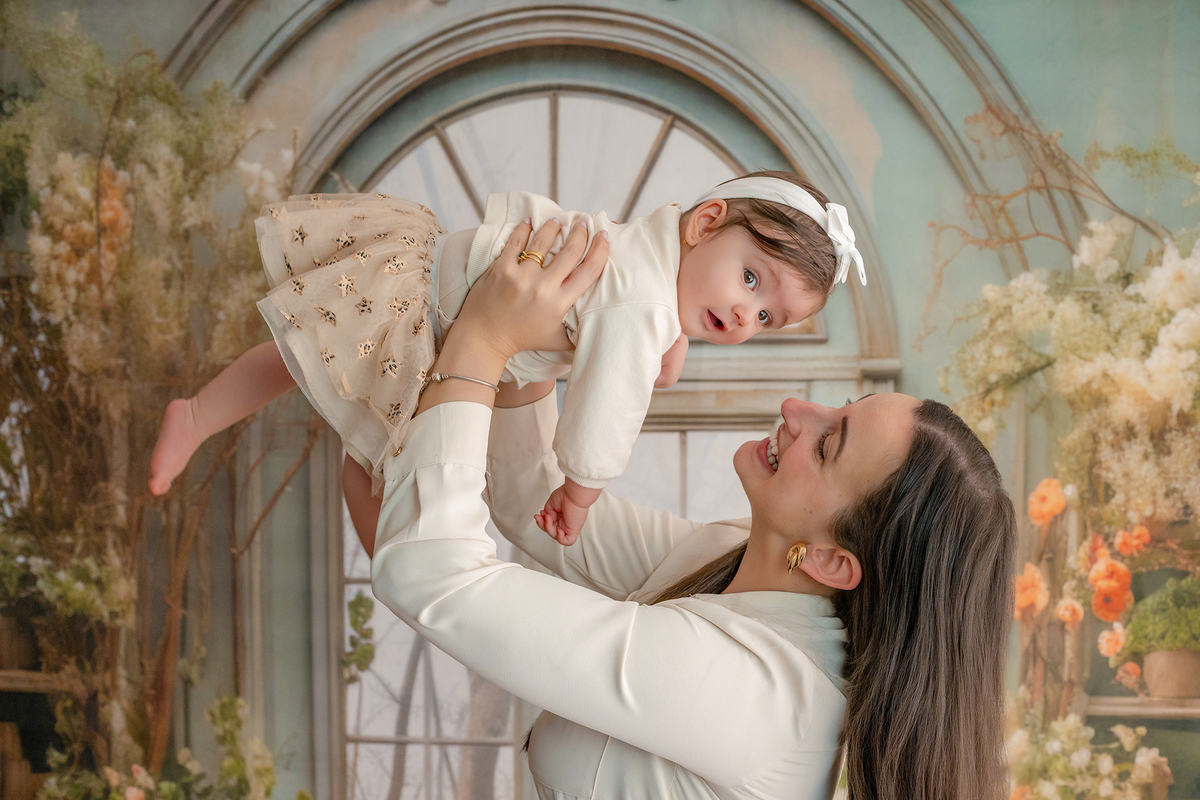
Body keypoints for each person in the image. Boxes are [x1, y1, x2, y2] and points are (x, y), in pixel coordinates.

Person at [371, 219, 1016, 800]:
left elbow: (431, 577)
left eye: (827, 444)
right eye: (837, 409)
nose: (797, 411)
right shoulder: (742, 558)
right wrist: (542, 347)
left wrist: (483, 338)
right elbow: (531, 504)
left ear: (831, 558)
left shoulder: (754, 699)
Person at [148, 171, 866, 547]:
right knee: (380, 466)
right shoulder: (641, 309)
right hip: (439, 324)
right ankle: (403, 572)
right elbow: (604, 414)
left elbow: (648, 326)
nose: (746, 314)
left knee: (295, 349)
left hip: (426, 271)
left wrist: (674, 335)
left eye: (768, 318)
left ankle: (197, 412)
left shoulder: (656, 249)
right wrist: (578, 493)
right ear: (707, 224)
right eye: (750, 280)